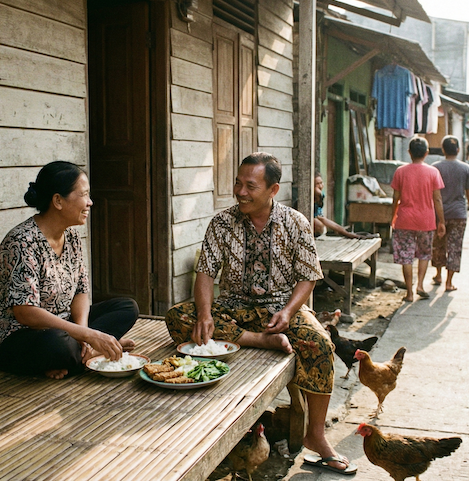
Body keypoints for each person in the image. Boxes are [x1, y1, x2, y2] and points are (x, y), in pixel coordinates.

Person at [165, 152, 357, 475]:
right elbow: (205, 273)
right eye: (237, 183)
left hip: (280, 308)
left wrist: (289, 311)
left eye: (249, 186)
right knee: (177, 317)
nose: (240, 192)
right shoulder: (222, 223)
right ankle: (260, 341)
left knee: (321, 346)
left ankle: (316, 436)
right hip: (234, 307)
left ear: (273, 190)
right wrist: (204, 313)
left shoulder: (296, 223)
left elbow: (309, 275)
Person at [0, 161, 139, 380]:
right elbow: (25, 312)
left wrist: (84, 334)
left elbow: (81, 291)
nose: (90, 202)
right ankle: (84, 354)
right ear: (58, 201)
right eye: (84, 194)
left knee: (127, 307)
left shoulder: (72, 237)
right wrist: (87, 335)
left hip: (63, 327)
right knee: (56, 345)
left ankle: (79, 353)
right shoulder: (22, 241)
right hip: (15, 338)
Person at [391, 137, 446, 302]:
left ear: (409, 153)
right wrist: (441, 221)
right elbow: (437, 199)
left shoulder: (400, 171)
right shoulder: (433, 172)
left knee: (405, 256)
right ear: (426, 153)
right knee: (424, 254)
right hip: (426, 220)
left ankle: (408, 293)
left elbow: (395, 197)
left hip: (404, 219)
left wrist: (392, 216)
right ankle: (420, 285)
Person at [431, 136, 469, 292]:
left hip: (438, 215)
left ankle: (438, 275)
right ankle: (449, 282)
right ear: (458, 150)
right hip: (458, 214)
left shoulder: (435, 167)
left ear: (443, 150)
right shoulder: (466, 169)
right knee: (454, 247)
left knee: (438, 245)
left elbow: (431, 193)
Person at [314, 173, 377, 239]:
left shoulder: (320, 195)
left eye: (321, 183)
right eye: (317, 184)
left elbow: (323, 218)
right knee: (319, 225)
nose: (320, 186)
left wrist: (344, 232)